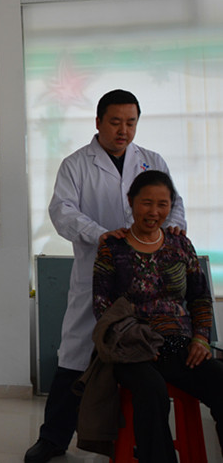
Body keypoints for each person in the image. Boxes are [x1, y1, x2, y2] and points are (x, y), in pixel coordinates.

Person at [25, 89, 187, 463]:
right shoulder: (76, 165)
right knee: (76, 354)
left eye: (131, 122)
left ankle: (141, 440)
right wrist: (100, 234)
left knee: (146, 355)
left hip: (148, 280)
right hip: (96, 273)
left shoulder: (152, 161)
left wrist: (173, 230)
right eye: (115, 122)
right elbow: (62, 211)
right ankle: (53, 439)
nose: (123, 130)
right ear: (98, 122)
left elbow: (173, 204)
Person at [91, 170, 222, 462]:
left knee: (220, 380)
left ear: (171, 205)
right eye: (146, 203)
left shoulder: (180, 245)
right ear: (130, 201)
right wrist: (135, 343)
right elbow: (102, 306)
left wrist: (201, 338)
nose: (154, 212)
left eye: (162, 204)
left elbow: (200, 297)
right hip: (130, 350)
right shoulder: (112, 248)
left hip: (178, 346)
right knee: (152, 392)